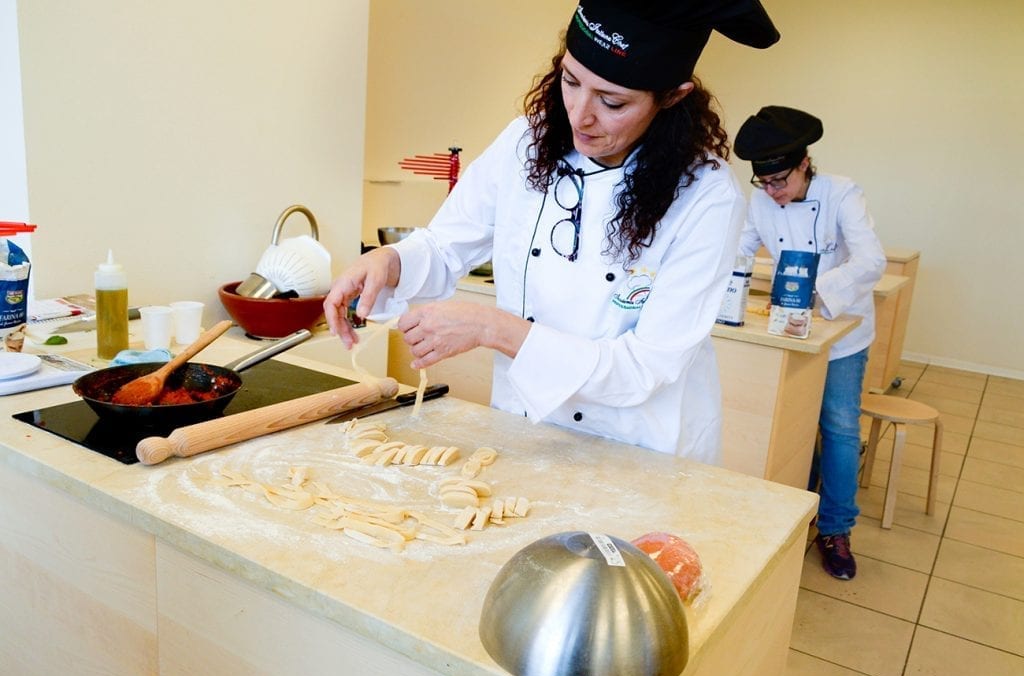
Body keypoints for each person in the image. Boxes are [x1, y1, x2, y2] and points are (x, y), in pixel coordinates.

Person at [325, 1, 780, 464]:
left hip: (637, 447)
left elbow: (646, 367)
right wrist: (391, 262)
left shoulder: (705, 195)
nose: (579, 116)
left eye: (612, 101)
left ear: (673, 97)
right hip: (523, 427)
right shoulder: (527, 141)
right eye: (570, 81)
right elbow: (444, 246)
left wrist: (491, 328)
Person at [734, 106, 887, 579]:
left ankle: (837, 529)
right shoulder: (763, 201)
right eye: (764, 184)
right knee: (797, 421)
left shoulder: (842, 193)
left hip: (841, 329)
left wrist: (817, 292)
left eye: (780, 180)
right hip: (788, 331)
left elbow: (872, 261)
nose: (773, 193)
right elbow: (739, 249)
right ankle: (802, 509)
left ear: (803, 163)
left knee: (839, 427)